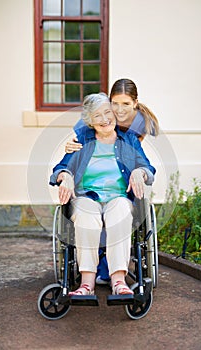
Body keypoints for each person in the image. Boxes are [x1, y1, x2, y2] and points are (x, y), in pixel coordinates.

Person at [50, 93, 156, 296]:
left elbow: (147, 167)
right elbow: (61, 167)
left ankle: (118, 281)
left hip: (119, 197)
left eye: (108, 112)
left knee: (120, 213)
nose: (105, 119)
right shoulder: (81, 139)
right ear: (89, 121)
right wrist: (66, 176)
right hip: (87, 197)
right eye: (97, 115)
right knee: (86, 216)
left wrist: (138, 171)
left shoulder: (129, 139)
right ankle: (86, 283)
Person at [65, 78, 159, 153]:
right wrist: (73, 145)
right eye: (115, 103)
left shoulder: (142, 123)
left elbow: (133, 152)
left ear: (135, 103)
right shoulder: (104, 116)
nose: (120, 110)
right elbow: (80, 139)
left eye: (126, 104)